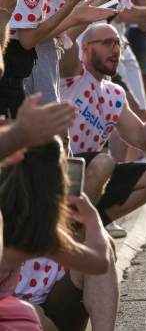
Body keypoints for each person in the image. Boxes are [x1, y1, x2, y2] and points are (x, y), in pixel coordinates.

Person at [61, 23, 146, 232]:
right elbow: (65, 47)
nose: (115, 49)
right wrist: (80, 14)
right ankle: (71, 232)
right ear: (85, 49)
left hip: (89, 175)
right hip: (60, 166)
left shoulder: (115, 93)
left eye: (118, 43)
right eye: (107, 43)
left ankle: (90, 225)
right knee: (104, 162)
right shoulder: (71, 75)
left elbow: (142, 139)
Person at [0, 139, 112, 330]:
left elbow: (99, 264)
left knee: (29, 314)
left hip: (25, 311)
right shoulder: (35, 233)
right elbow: (99, 260)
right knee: (28, 314)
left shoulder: (38, 230)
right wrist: (92, 218)